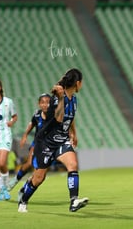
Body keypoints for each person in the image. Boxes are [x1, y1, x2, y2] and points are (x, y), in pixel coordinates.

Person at [18, 68, 88, 213]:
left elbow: (70, 118)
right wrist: (61, 97)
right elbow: (59, 118)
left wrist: (74, 133)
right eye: (81, 83)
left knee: (73, 164)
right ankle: (23, 200)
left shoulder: (74, 99)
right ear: (77, 83)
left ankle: (74, 201)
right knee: (38, 179)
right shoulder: (57, 98)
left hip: (62, 140)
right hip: (46, 142)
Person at [7, 93, 51, 191]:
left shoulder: (55, 115)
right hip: (37, 144)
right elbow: (31, 124)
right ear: (39, 104)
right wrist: (25, 135)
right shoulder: (37, 115)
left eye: (48, 102)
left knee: (40, 175)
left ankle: (25, 189)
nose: (45, 105)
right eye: (42, 102)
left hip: (49, 146)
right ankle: (15, 180)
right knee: (29, 163)